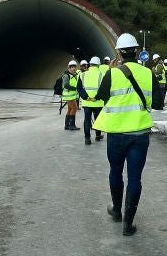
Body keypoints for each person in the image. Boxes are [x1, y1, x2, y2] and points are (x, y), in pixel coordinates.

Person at [93, 33, 154, 236]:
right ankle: (128, 225)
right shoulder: (148, 74)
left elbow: (100, 97)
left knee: (115, 171)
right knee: (135, 177)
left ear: (118, 53)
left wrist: (111, 73)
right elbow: (160, 102)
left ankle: (117, 212)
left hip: (117, 134)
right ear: (136, 51)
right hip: (140, 134)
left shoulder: (113, 73)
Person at [78, 56, 105, 145]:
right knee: (98, 120)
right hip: (98, 103)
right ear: (98, 65)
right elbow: (103, 89)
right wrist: (96, 97)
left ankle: (87, 139)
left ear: (90, 64)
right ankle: (98, 136)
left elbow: (79, 88)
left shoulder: (83, 74)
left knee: (87, 120)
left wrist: (86, 97)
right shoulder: (102, 75)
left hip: (87, 103)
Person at [61, 60, 81, 130]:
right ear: (69, 68)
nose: (73, 68)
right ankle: (72, 125)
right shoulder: (66, 76)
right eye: (72, 67)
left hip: (72, 96)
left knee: (70, 109)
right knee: (74, 108)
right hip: (69, 96)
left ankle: (67, 125)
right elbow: (66, 85)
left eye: (75, 67)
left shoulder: (74, 75)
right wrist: (75, 88)